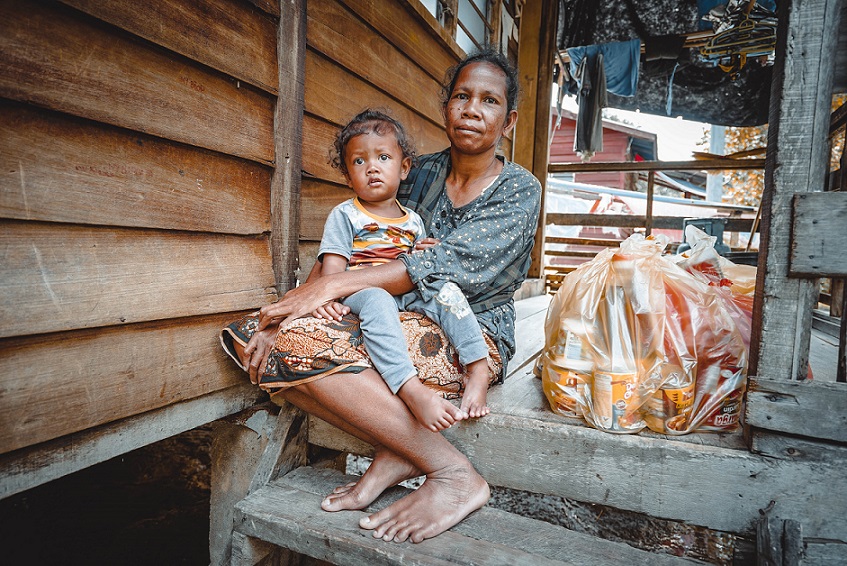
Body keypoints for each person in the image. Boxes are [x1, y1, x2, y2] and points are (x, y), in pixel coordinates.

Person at [232, 47, 541, 544]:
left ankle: (453, 473)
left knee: (299, 351)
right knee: (256, 339)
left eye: (489, 101)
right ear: (445, 106)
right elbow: (357, 236)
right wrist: (300, 301)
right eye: (462, 95)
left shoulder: (519, 188)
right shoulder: (418, 171)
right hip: (391, 312)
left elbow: (446, 266)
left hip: (471, 329)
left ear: (509, 121)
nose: (471, 108)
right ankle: (404, 449)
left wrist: (334, 289)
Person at [314, 108, 494, 431]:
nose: (371, 168)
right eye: (359, 161)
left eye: (383, 158)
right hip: (363, 293)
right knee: (378, 300)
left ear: (404, 168)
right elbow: (332, 278)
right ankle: (411, 389)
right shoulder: (345, 216)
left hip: (405, 292)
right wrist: (327, 299)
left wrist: (426, 251)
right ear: (347, 175)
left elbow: (417, 267)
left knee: (446, 291)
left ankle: (478, 366)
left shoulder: (412, 221)